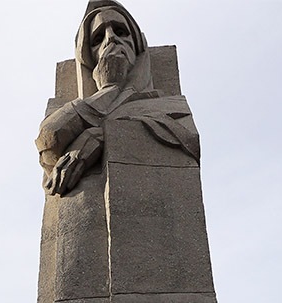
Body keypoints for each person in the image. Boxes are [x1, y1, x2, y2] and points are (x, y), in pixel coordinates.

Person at [36, 0, 198, 196]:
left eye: (120, 32)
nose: (111, 39)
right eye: (97, 39)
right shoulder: (70, 106)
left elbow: (186, 146)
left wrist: (97, 137)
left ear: (137, 44)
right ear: (88, 56)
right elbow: (49, 141)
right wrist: (109, 89)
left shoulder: (171, 105)